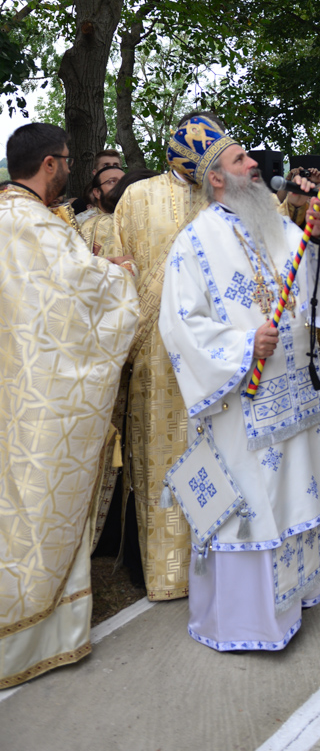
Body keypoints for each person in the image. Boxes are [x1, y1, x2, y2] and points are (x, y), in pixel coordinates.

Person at [159, 138, 320, 652]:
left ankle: (293, 601)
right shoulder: (193, 243)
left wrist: (319, 239)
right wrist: (244, 346)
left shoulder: (278, 225)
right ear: (217, 178)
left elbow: (314, 285)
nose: (253, 165)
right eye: (240, 159)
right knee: (253, 505)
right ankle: (247, 624)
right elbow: (180, 325)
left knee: (293, 494)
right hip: (242, 403)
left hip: (293, 398)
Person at [0, 124, 139, 689]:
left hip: (12, 386)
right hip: (43, 399)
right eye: (65, 161)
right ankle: (31, 627)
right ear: (51, 164)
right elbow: (84, 291)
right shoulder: (36, 226)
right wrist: (122, 273)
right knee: (37, 504)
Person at [111, 113, 225, 601]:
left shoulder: (223, 201)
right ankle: (165, 572)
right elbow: (117, 274)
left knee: (217, 457)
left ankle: (221, 567)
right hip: (155, 357)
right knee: (158, 460)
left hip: (212, 354)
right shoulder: (137, 196)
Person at [79, 163, 126, 256]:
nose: (121, 186)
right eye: (112, 181)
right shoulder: (80, 222)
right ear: (97, 192)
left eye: (124, 182)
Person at [74, 148, 123, 224]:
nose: (111, 168)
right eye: (106, 165)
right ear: (95, 172)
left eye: (115, 165)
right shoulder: (80, 207)